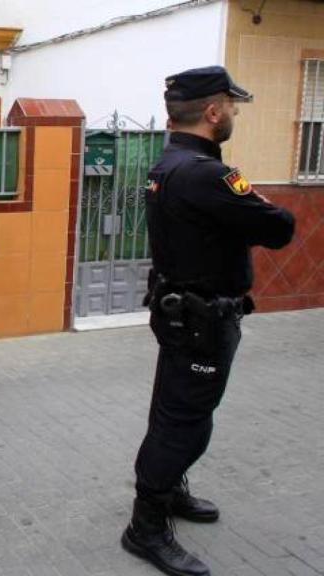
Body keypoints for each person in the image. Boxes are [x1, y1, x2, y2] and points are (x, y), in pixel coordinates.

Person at [122, 66, 295, 576]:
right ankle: (146, 527)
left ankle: (170, 490)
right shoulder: (208, 174)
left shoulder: (168, 164)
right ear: (214, 112)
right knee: (184, 425)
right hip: (201, 321)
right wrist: (260, 205)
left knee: (171, 413)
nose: (236, 113)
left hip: (184, 314)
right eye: (233, 106)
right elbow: (280, 228)